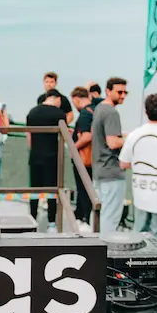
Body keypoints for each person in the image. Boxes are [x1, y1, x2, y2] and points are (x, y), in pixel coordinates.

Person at [120, 93, 157, 240]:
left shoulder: (134, 135)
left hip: (140, 192)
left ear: (145, 111)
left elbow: (123, 163)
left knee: (138, 233)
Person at [91, 77, 128, 233]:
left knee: (98, 215)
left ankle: (94, 243)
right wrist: (130, 138)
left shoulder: (99, 108)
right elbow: (113, 142)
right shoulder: (112, 112)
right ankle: (105, 245)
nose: (123, 96)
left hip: (99, 170)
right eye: (119, 92)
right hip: (112, 172)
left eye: (125, 92)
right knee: (110, 217)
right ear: (108, 91)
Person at [26, 90, 67, 228]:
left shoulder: (32, 113)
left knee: (34, 189)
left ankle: (32, 218)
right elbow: (63, 136)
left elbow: (29, 136)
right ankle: (52, 221)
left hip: (35, 155)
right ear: (57, 99)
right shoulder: (59, 114)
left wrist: (32, 151)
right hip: (52, 156)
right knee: (52, 189)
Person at [70, 86, 95, 226]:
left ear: (76, 99)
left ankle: (85, 217)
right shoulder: (94, 110)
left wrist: (74, 147)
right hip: (94, 159)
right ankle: (82, 214)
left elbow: (87, 136)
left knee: (83, 188)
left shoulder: (85, 114)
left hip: (83, 159)